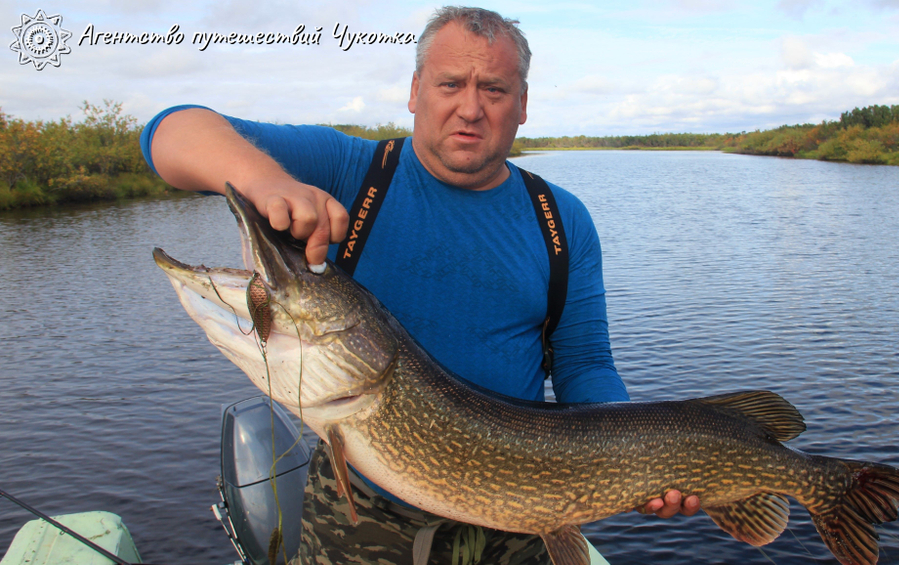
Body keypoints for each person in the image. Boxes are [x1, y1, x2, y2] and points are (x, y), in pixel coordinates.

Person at [143, 6, 700, 564]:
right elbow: (169, 131)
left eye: (496, 89)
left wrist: (641, 462)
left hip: (520, 524)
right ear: (415, 90)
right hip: (356, 520)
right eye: (451, 83)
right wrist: (265, 180)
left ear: (524, 104)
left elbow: (585, 366)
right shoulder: (350, 168)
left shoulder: (562, 219)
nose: (471, 107)